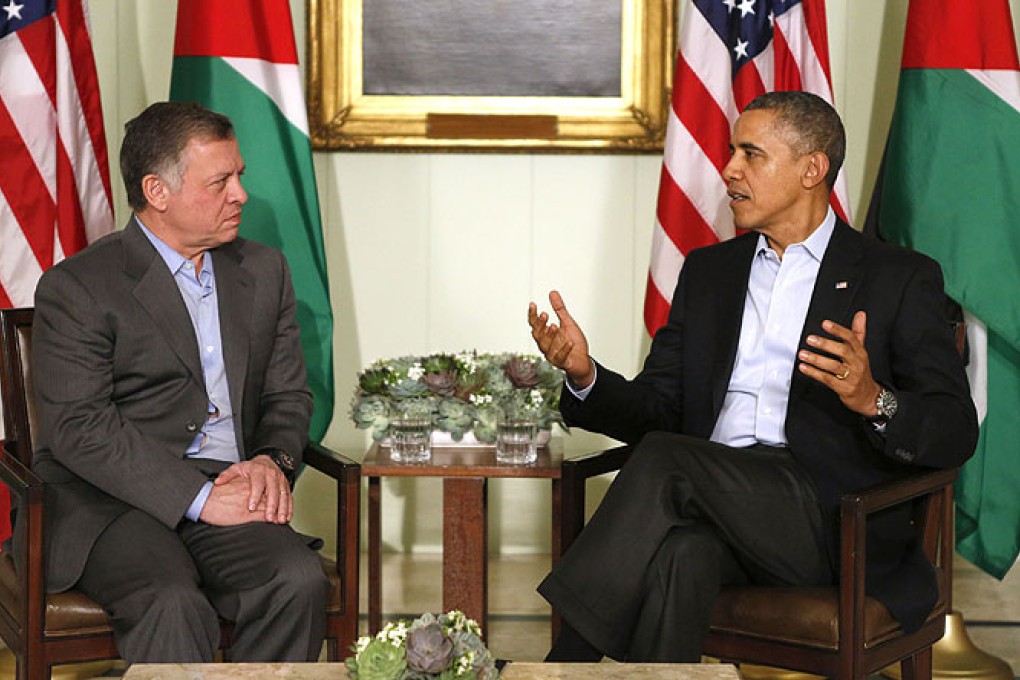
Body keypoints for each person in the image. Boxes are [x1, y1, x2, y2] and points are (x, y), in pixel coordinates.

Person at [528, 91, 978, 663]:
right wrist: (586, 375)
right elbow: (659, 409)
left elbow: (956, 430)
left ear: (812, 169)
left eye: (751, 154)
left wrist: (874, 399)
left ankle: (561, 667)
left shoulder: (897, 277)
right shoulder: (711, 273)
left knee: (668, 460)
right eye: (730, 153)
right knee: (681, 555)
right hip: (715, 501)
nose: (728, 170)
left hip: (832, 520)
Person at [24, 101, 327, 663]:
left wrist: (269, 461)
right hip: (107, 501)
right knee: (169, 599)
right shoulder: (79, 287)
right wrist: (198, 497)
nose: (240, 194)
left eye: (240, 176)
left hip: (229, 488)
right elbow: (78, 428)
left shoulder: (263, 272)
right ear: (157, 192)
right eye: (221, 182)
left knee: (295, 579)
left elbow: (287, 397)